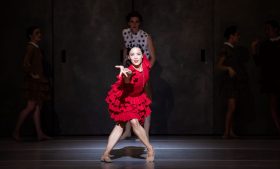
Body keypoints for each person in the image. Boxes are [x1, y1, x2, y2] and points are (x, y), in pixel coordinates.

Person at [101, 47, 155, 163]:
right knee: (130, 123)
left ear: (142, 56)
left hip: (138, 97)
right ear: (129, 57)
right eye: (132, 55)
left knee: (120, 125)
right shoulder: (130, 71)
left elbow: (152, 58)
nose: (135, 57)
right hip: (125, 99)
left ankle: (106, 154)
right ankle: (150, 149)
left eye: (138, 54)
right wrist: (125, 72)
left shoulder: (146, 64)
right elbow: (127, 78)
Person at [121, 11, 156, 140]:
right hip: (129, 72)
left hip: (142, 72)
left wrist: (145, 71)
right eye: (131, 21)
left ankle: (145, 134)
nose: (134, 24)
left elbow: (153, 57)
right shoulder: (125, 33)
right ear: (128, 23)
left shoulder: (145, 36)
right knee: (128, 101)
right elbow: (125, 51)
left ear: (140, 23)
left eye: (136, 22)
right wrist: (124, 67)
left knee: (145, 101)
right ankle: (128, 131)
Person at [12, 26, 51, 141]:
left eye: (40, 32)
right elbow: (25, 64)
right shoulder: (31, 47)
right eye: (37, 33)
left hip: (38, 81)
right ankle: (15, 131)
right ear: (31, 35)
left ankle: (39, 133)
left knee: (37, 107)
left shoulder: (36, 48)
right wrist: (32, 74)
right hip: (33, 82)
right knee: (30, 106)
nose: (40, 34)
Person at [251, 20, 280, 133]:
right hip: (271, 79)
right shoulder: (264, 44)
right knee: (273, 105)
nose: (266, 31)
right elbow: (259, 62)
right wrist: (253, 48)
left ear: (276, 29)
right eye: (265, 29)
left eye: (268, 28)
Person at [216, 25, 241, 139]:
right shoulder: (225, 49)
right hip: (228, 83)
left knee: (233, 107)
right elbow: (219, 66)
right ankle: (226, 132)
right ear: (232, 36)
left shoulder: (233, 49)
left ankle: (230, 131)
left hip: (234, 82)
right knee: (232, 106)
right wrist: (228, 68)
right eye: (237, 35)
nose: (238, 37)